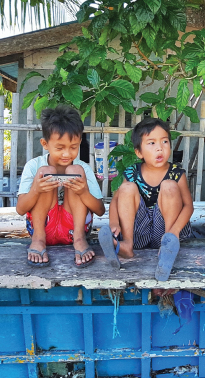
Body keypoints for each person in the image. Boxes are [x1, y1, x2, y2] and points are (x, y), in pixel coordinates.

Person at [98, 118, 193, 281]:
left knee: (169, 186)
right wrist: (114, 223)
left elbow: (188, 207)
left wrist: (174, 232)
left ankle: (168, 247)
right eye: (152, 143)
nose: (160, 148)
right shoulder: (132, 172)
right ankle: (126, 245)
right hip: (138, 233)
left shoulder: (176, 173)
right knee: (126, 189)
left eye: (164, 141)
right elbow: (115, 201)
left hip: (168, 230)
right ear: (138, 152)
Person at [17, 105, 105, 268]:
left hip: (74, 230)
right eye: (60, 148)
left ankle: (79, 239)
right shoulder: (34, 166)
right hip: (41, 228)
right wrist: (36, 189)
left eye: (73, 147)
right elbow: (21, 209)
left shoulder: (83, 168)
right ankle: (38, 240)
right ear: (45, 143)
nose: (67, 154)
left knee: (75, 171)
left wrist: (84, 192)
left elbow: (100, 210)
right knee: (45, 173)